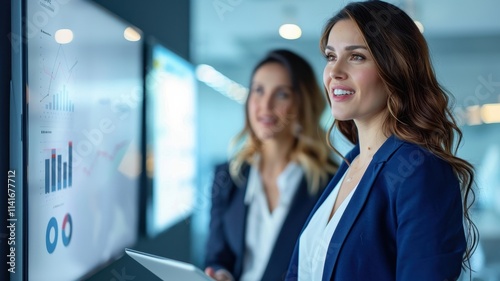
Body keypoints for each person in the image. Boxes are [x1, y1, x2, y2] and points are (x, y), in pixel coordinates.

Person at [285, 1, 479, 280]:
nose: (334, 71)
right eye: (330, 56)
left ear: (395, 69)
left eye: (356, 57)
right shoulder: (351, 163)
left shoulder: (419, 170)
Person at [204, 49, 338, 281]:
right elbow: (217, 256)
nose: (265, 105)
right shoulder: (227, 177)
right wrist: (221, 274)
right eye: (258, 90)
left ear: (301, 103)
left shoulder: (331, 184)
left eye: (282, 94)